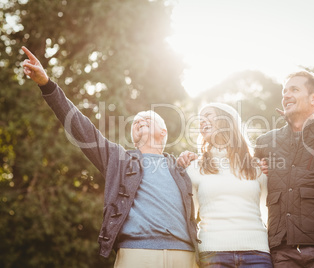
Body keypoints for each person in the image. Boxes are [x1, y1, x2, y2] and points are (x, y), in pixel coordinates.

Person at [21, 46, 198, 268]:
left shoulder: (181, 166)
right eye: (136, 121)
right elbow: (80, 127)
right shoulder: (119, 159)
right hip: (136, 254)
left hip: (184, 255)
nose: (139, 120)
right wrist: (47, 85)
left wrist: (194, 161)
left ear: (163, 132)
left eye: (147, 118)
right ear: (133, 136)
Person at [254, 70, 314, 267]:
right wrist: (193, 157)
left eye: (294, 90)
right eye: (284, 92)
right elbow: (238, 167)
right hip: (282, 251)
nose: (286, 95)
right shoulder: (265, 142)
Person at [178, 103, 273, 268]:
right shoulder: (194, 168)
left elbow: (270, 215)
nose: (202, 122)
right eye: (200, 119)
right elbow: (187, 217)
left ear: (227, 121)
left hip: (257, 254)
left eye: (208, 115)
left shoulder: (257, 167)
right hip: (212, 254)